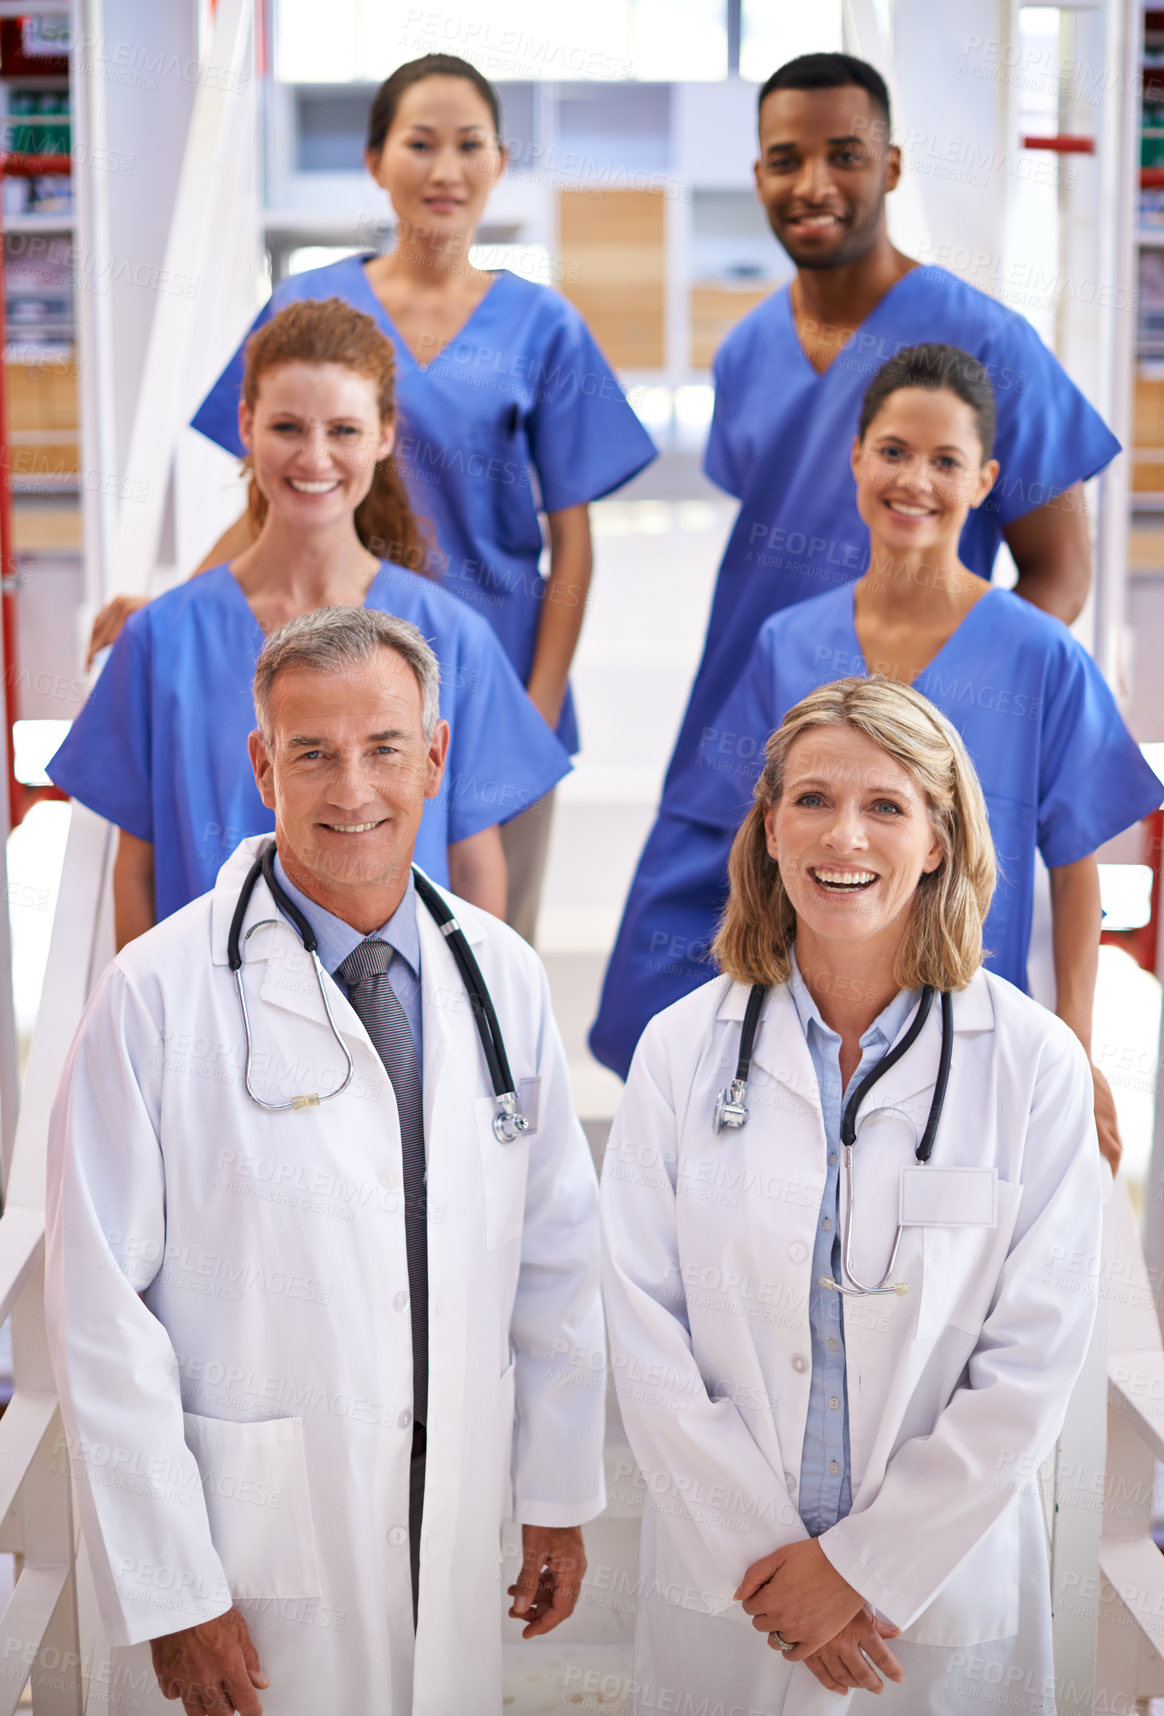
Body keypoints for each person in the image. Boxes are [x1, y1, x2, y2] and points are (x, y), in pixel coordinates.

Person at [46, 606, 607, 1716]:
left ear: (435, 757)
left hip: (441, 1499)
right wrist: (171, 1588)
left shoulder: (501, 976)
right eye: (313, 753)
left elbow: (556, 1262)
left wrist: (556, 1490)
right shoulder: (155, 998)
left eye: (385, 748)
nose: (352, 789)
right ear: (265, 766)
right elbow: (100, 1316)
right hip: (249, 1537)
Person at [600, 675, 1102, 1715]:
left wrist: (865, 1573)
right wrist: (774, 1567)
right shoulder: (681, 1052)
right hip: (736, 1588)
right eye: (815, 800)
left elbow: (1032, 1363)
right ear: (771, 830)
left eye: (887, 806)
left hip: (930, 1605)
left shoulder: (1031, 1064)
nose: (847, 838)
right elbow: (643, 1334)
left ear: (938, 839)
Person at [90, 53, 657, 939]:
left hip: (483, 683)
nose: (443, 169)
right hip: (333, 687)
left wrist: (525, 719)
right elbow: (274, 498)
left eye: (469, 144)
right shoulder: (311, 302)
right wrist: (171, 611)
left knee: (475, 956)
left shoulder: (543, 326)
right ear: (374, 160)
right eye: (418, 143)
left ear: (499, 163)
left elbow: (572, 544)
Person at [591, 345, 1162, 1173]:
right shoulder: (789, 643)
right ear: (856, 458)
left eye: (945, 461)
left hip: (973, 1018)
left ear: (984, 480)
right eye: (893, 451)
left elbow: (1075, 869)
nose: (914, 481)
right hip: (804, 1013)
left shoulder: (1039, 656)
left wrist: (1074, 1050)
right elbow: (758, 831)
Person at [48, 297, 572, 948]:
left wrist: (473, 1020)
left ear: (383, 435)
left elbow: (473, 862)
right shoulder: (162, 640)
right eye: (288, 427)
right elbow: (137, 871)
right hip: (217, 1015)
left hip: (396, 1014)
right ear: (246, 424)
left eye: (344, 431)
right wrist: (150, 1032)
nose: (315, 457)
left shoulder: (452, 636)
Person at [662, 50, 1120, 789]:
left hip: (904, 750)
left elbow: (1060, 571)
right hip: (740, 725)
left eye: (845, 155)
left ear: (892, 167)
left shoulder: (994, 345)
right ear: (758, 178)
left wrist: (927, 720)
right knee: (690, 905)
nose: (815, 184)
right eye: (787, 159)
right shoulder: (746, 350)